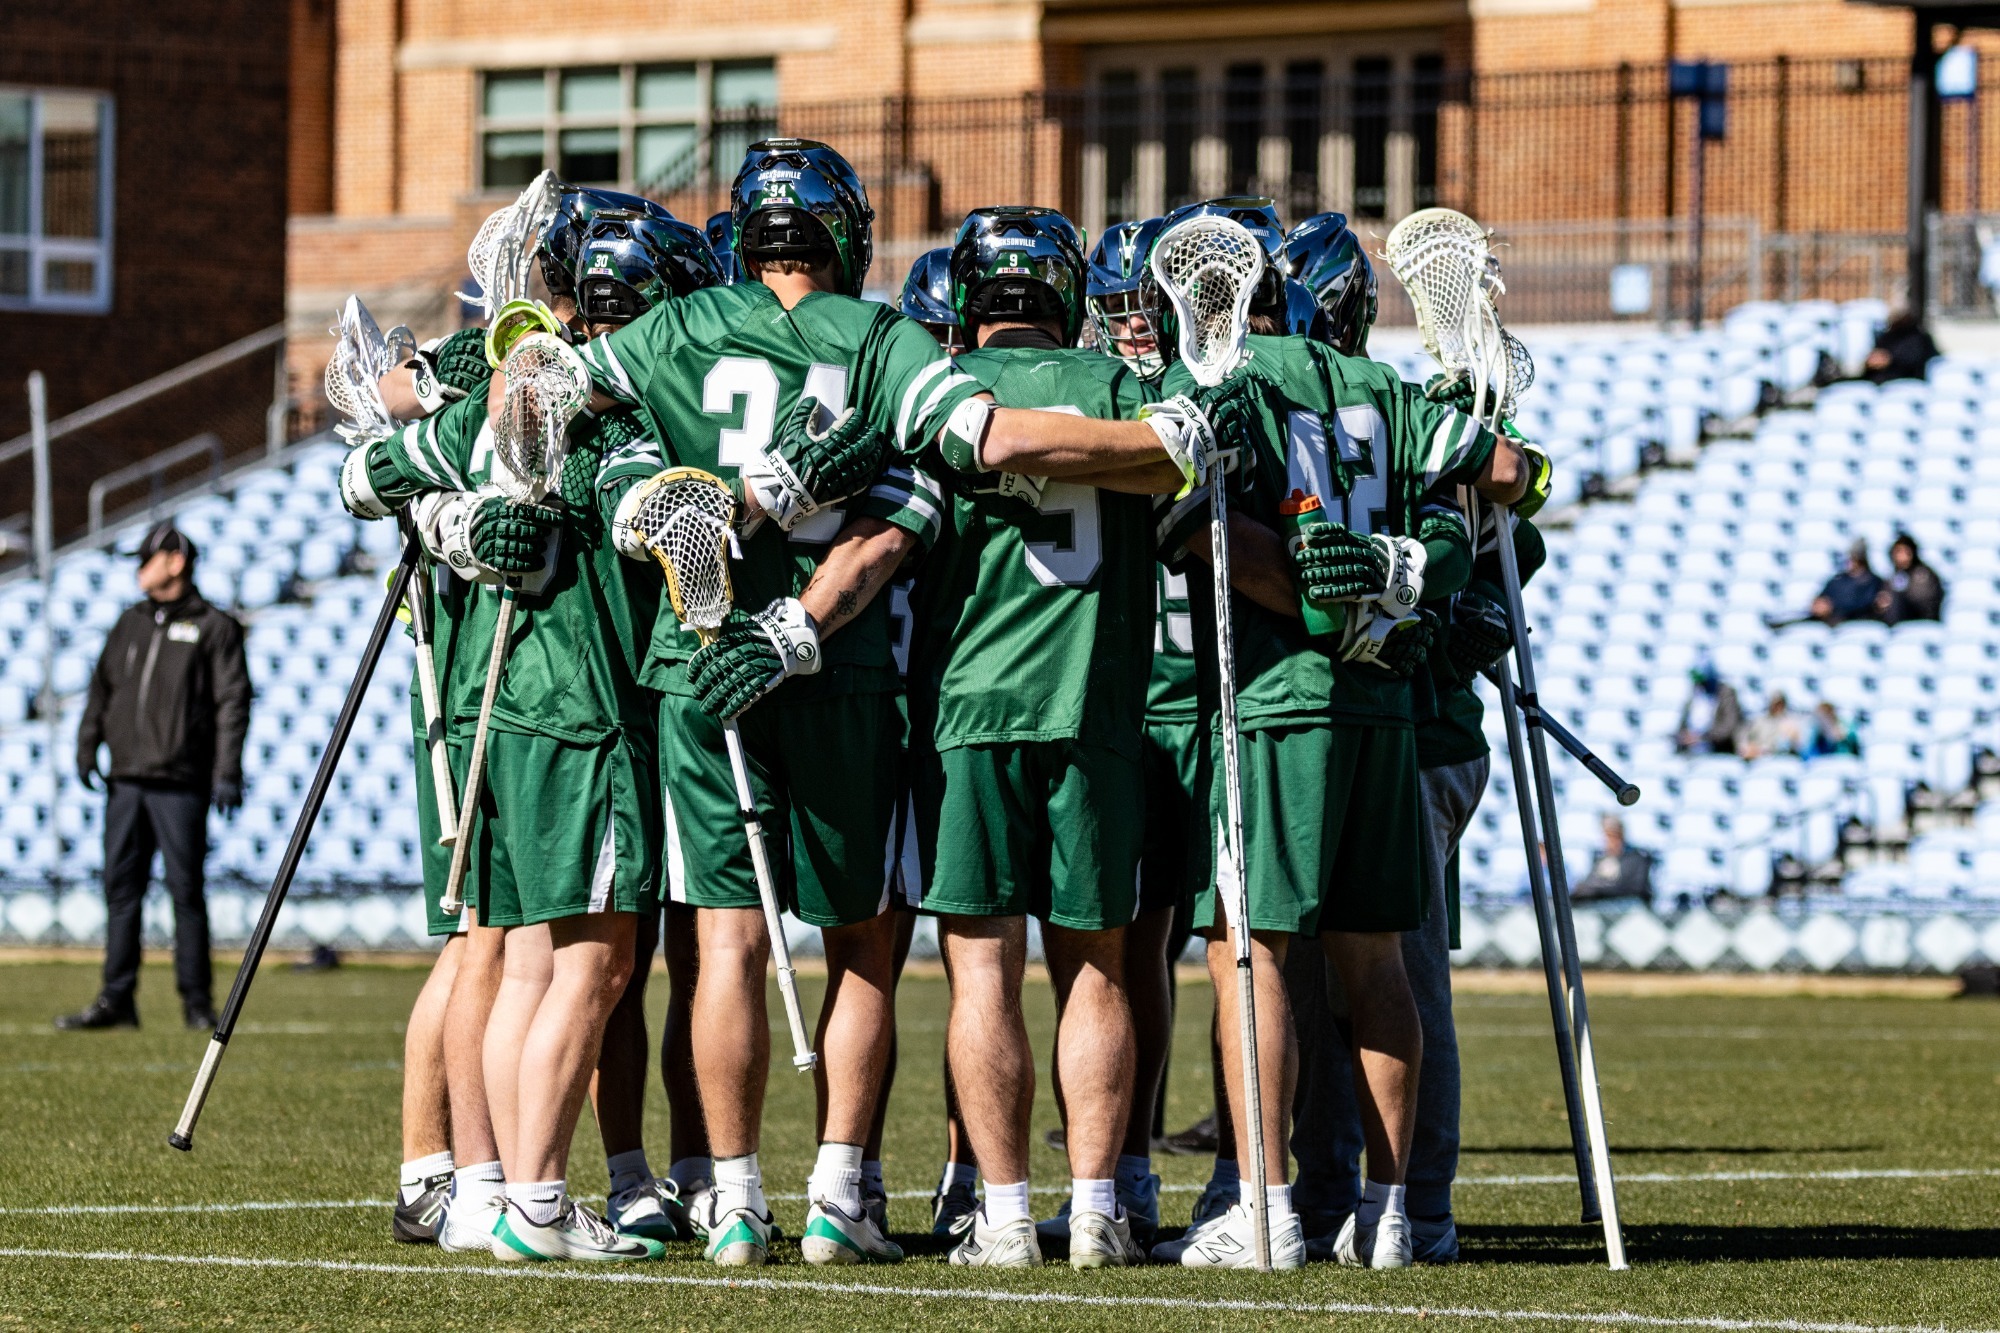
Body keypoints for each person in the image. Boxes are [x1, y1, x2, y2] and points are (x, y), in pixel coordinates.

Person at [566, 140, 1217, 1269]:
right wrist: (1168, 440)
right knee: (883, 948)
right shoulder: (889, 343)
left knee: (720, 946)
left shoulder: (670, 331)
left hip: (714, 667)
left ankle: (733, 1204)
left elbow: (550, 390)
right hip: (860, 672)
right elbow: (964, 451)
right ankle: (854, 1196)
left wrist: (626, 481)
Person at [1147, 235, 1527, 1269]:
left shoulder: (1226, 379)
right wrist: (1393, 577)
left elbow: (1199, 528)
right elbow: (1479, 505)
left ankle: (1264, 1204)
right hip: (1385, 707)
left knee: (1256, 958)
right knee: (1379, 963)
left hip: (1275, 702)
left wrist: (1338, 597)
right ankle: (1392, 1213)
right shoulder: (1383, 387)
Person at [906, 206, 1184, 1270]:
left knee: (981, 973)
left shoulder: (933, 392)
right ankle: (1100, 1205)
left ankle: (1008, 1212)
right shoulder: (1122, 392)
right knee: (1099, 970)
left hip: (973, 707)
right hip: (1096, 705)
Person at [59, 522, 250, 1034]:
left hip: (180, 784)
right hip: (126, 783)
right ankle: (116, 1000)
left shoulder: (215, 627)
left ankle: (196, 1004)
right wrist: (86, 744)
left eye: (146, 558)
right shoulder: (129, 622)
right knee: (121, 891)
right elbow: (101, 689)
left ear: (175, 561)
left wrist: (226, 770)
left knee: (186, 893)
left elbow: (232, 702)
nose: (138, 568)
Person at [1574, 816, 1655, 902]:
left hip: (1629, 907)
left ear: (1620, 836)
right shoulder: (1600, 860)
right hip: (1598, 908)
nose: (1608, 841)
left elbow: (1637, 888)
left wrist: (1602, 890)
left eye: (1612, 836)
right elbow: (1588, 885)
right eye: (1606, 836)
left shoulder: (1637, 859)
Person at [1874, 532, 1945, 624]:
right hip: (1896, 627)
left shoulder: (1924, 575)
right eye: (1898, 552)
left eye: (1906, 551)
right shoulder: (1893, 577)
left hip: (1920, 623)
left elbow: (1926, 605)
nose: (1901, 556)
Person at [1675, 661, 1742, 755]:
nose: (1700, 685)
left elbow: (1729, 726)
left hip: (1717, 749)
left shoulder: (1726, 693)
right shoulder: (1695, 692)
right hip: (1691, 750)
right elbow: (1683, 723)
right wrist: (1684, 736)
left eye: (1703, 682)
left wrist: (1702, 737)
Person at [1811, 540, 1883, 626]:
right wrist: (1820, 605)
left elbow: (1865, 605)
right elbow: (1822, 600)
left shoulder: (1873, 581)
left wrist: (1834, 607)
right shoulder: (1837, 580)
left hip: (1862, 623)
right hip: (1834, 624)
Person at [1862, 309, 1938, 383]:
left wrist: (1888, 359)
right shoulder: (1888, 335)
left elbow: (1914, 357)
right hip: (1881, 383)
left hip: (1907, 382)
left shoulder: (1916, 337)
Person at [1739, 691, 1807, 759]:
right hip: (1758, 758)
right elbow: (1747, 741)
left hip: (1780, 759)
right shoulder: (1759, 721)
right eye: (1775, 704)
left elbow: (1797, 747)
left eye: (1780, 704)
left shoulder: (1790, 722)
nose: (1777, 707)